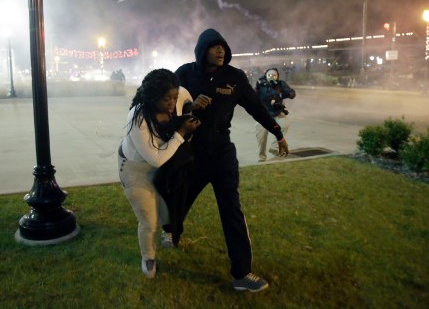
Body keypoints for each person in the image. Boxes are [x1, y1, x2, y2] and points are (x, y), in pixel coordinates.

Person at [172, 28, 289, 292]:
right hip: (192, 153)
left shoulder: (234, 77)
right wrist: (191, 108)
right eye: (215, 47)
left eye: (223, 47)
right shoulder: (185, 74)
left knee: (232, 209)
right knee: (180, 197)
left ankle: (241, 273)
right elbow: (169, 109)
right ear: (203, 50)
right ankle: (171, 229)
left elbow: (256, 107)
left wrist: (277, 132)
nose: (221, 50)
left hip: (222, 153)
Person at [117, 68, 201, 279]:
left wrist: (193, 109)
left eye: (174, 97)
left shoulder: (177, 97)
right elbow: (155, 158)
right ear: (153, 97)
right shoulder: (138, 117)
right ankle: (148, 257)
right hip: (135, 169)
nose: (172, 103)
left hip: (162, 167)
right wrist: (181, 134)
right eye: (166, 99)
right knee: (148, 219)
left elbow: (186, 101)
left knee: (168, 210)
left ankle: (168, 231)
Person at [254, 67, 296, 162]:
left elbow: (292, 93)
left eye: (274, 76)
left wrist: (281, 95)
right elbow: (253, 95)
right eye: (270, 75)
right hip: (263, 115)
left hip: (277, 113)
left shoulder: (281, 83)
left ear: (277, 77)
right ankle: (262, 158)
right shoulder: (260, 84)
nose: (272, 77)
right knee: (261, 138)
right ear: (266, 76)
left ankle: (274, 147)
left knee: (284, 124)